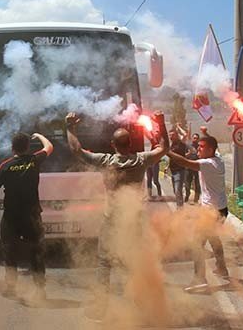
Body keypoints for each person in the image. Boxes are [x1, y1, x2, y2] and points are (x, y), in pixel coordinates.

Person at [66, 111, 168, 320]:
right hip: (134, 219)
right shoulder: (141, 160)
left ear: (113, 145)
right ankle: (141, 305)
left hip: (112, 219)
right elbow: (164, 148)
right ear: (130, 144)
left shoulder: (106, 161)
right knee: (135, 261)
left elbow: (76, 150)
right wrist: (161, 123)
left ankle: (101, 308)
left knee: (105, 263)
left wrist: (70, 128)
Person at [0, 132, 54, 302]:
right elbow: (49, 147)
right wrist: (39, 135)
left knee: (10, 251)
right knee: (36, 252)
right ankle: (40, 290)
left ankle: (11, 287)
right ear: (27, 147)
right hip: (32, 215)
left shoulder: (6, 165)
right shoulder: (33, 161)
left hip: (11, 217)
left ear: (12, 148)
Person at [166, 135, 230, 291]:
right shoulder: (218, 159)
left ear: (210, 149)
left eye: (201, 147)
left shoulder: (208, 163)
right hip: (221, 209)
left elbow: (184, 162)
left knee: (197, 244)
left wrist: (165, 151)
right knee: (214, 239)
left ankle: (199, 278)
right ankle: (222, 268)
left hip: (212, 212)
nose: (198, 149)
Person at [168, 129, 188, 207]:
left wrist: (178, 127)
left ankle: (180, 210)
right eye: (170, 135)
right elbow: (172, 157)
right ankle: (179, 206)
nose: (171, 137)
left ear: (177, 136)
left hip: (179, 170)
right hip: (173, 171)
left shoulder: (181, 143)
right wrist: (167, 167)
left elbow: (185, 134)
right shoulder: (172, 144)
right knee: (175, 191)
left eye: (173, 135)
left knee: (177, 190)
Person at [145, 130, 163, 201]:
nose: (156, 134)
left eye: (157, 133)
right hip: (149, 162)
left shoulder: (161, 142)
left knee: (155, 180)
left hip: (155, 163)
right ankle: (149, 195)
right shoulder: (153, 140)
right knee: (149, 179)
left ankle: (160, 195)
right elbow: (148, 135)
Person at [184, 133, 201, 205]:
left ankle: (196, 200)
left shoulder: (200, 147)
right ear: (192, 138)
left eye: (197, 138)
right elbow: (183, 155)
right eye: (194, 138)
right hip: (189, 167)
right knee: (187, 183)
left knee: (198, 184)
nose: (195, 139)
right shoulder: (188, 146)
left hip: (197, 168)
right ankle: (187, 194)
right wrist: (189, 154)